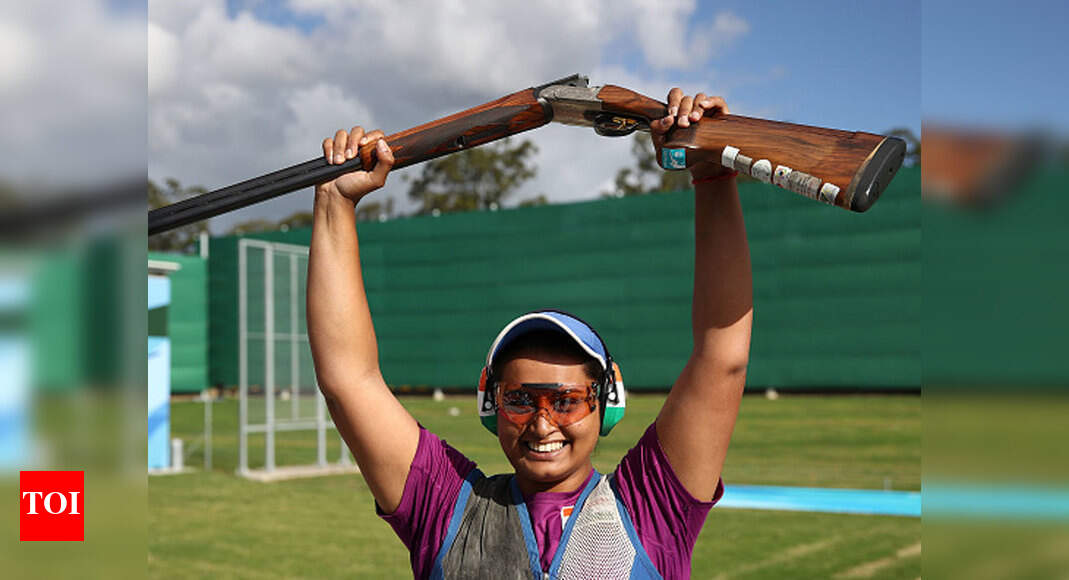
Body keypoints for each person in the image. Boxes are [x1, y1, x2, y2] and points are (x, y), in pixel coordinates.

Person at [307, 88, 753, 579]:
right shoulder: (445, 508)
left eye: (566, 400)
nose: (543, 425)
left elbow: (721, 355)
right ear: (490, 402)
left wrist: (712, 175)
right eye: (521, 399)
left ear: (607, 402)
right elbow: (348, 378)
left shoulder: (652, 509)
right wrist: (335, 200)